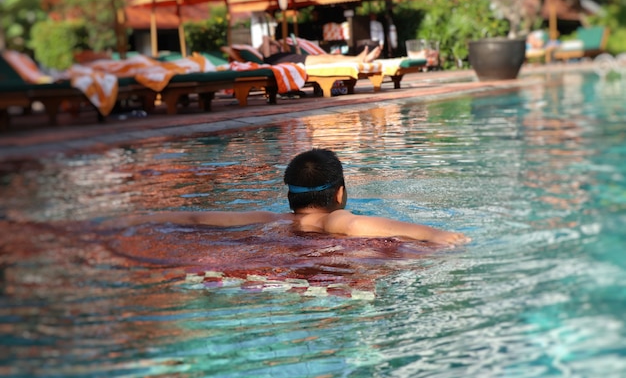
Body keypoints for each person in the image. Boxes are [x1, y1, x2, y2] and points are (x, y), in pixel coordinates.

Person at [109, 149, 470, 247]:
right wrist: (437, 235)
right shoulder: (335, 219)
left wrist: (132, 221)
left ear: (289, 195)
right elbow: (357, 224)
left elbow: (191, 220)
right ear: (340, 193)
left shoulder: (271, 220)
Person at [259, 35, 382, 66]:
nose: (275, 47)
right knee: (330, 59)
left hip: (300, 60)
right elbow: (264, 37)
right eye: (272, 46)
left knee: (332, 57)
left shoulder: (280, 55)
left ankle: (362, 59)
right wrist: (276, 42)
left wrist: (296, 49)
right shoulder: (268, 58)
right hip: (302, 62)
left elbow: (295, 57)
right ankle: (359, 59)